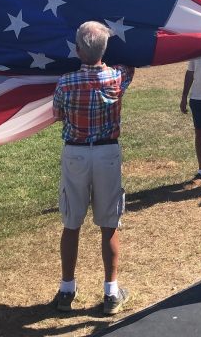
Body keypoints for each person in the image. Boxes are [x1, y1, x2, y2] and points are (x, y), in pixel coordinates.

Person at [51, 21, 134, 314]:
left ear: (76, 50)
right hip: (107, 152)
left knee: (71, 223)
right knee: (109, 223)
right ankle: (111, 292)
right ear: (105, 49)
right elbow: (130, 66)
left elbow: (58, 114)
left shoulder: (65, 82)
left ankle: (66, 289)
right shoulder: (117, 76)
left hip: (75, 153)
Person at [179, 55, 201, 183]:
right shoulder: (195, 49)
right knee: (199, 133)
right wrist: (184, 96)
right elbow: (190, 72)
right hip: (198, 96)